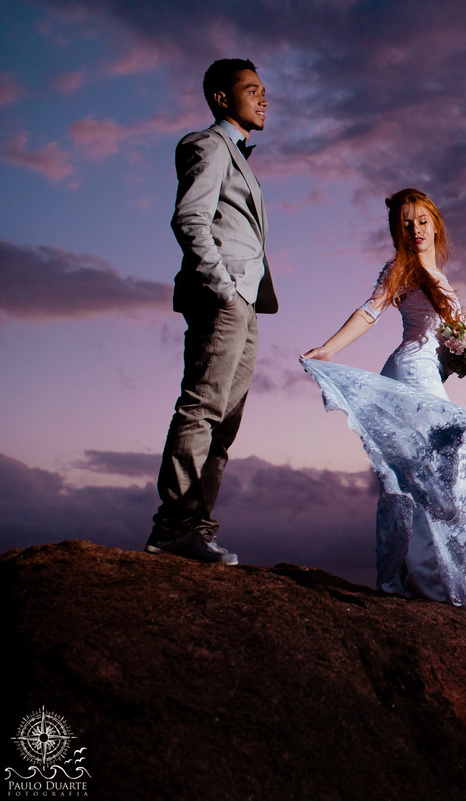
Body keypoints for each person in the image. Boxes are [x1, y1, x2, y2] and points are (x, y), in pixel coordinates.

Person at [301, 189, 466, 611]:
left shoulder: (438, 271)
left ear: (435, 223)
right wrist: (328, 349)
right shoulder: (402, 268)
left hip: (430, 374)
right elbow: (369, 310)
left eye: (421, 221)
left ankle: (456, 585)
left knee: (445, 474)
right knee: (435, 476)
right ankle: (430, 583)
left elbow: (443, 343)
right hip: (410, 372)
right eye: (405, 223)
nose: (414, 230)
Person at [146, 59, 278, 565]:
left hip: (246, 304)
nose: (264, 99)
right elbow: (190, 219)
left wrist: (241, 296)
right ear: (222, 99)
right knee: (202, 407)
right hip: (224, 299)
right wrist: (223, 288)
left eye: (264, 91)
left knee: (225, 424)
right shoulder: (206, 144)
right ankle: (172, 527)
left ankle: (196, 528)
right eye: (252, 90)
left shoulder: (237, 154)